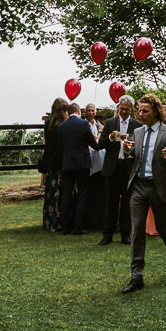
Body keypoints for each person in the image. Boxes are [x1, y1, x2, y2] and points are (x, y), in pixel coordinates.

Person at [121, 95, 166, 293]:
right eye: (139, 111)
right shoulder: (137, 132)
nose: (141, 114)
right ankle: (136, 275)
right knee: (137, 229)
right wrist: (128, 150)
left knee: (164, 228)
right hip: (138, 186)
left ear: (156, 112)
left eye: (145, 111)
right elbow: (134, 155)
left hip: (159, 187)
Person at [96, 95, 137, 245]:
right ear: (118, 108)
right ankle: (108, 235)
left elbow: (139, 147)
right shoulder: (111, 123)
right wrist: (112, 138)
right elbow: (100, 144)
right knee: (110, 202)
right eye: (121, 109)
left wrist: (130, 144)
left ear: (131, 110)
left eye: (126, 110)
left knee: (127, 202)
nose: (123, 112)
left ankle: (126, 234)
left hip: (127, 167)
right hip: (112, 168)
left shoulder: (137, 125)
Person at [55, 102, 99, 235]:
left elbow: (60, 148)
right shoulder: (84, 124)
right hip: (82, 164)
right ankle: (78, 226)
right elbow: (94, 144)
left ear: (68, 112)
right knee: (82, 194)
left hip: (67, 164)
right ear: (79, 112)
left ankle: (65, 226)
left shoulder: (61, 127)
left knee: (66, 194)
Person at [37, 99, 66, 232]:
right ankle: (58, 221)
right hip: (60, 163)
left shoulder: (48, 124)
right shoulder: (63, 125)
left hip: (49, 162)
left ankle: (48, 221)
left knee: (50, 193)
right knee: (59, 194)